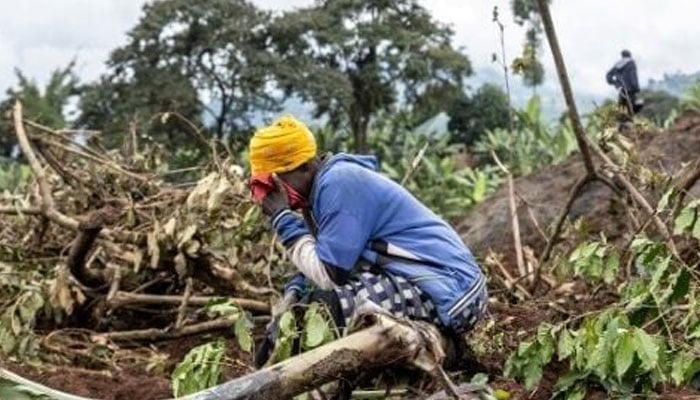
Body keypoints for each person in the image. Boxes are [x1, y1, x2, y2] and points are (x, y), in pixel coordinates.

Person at [248, 115, 487, 367]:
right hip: (429, 284)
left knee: (319, 311)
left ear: (305, 167)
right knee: (300, 308)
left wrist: (282, 217)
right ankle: (262, 375)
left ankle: (269, 381)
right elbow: (319, 262)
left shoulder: (340, 182)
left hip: (452, 292)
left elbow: (330, 274)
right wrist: (293, 292)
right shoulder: (318, 193)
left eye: (275, 183)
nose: (271, 195)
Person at [606, 49, 642, 117]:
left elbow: (608, 75)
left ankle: (622, 122)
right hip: (630, 89)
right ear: (630, 55)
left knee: (622, 107)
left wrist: (614, 83)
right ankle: (630, 121)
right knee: (633, 106)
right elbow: (633, 76)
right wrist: (636, 88)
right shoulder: (631, 63)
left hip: (621, 89)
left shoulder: (617, 65)